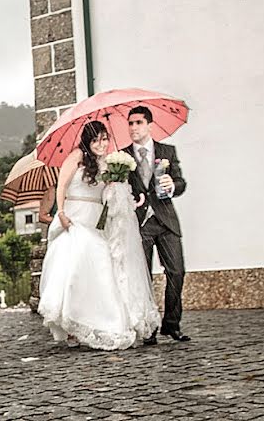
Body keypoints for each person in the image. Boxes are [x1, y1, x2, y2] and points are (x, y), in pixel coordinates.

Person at [38, 121, 159, 350]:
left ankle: (99, 320)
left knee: (100, 268)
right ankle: (71, 322)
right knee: (74, 268)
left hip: (96, 220)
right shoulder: (75, 157)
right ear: (87, 141)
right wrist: (61, 212)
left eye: (104, 139)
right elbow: (61, 186)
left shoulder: (108, 163)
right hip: (74, 217)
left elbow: (110, 198)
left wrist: (116, 185)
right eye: (96, 140)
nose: (101, 144)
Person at [124, 106, 190, 343]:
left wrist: (172, 185)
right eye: (130, 123)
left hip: (166, 220)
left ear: (149, 125)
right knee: (143, 277)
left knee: (176, 271)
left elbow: (181, 183)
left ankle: (171, 324)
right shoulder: (122, 157)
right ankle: (148, 327)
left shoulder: (167, 151)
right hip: (139, 223)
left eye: (138, 123)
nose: (133, 128)